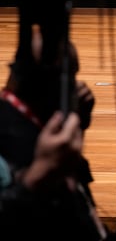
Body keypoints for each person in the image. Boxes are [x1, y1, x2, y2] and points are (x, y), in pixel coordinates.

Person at [0, 27, 107, 240]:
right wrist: (38, 175)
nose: (78, 87)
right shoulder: (10, 133)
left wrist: (79, 126)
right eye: (68, 82)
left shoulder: (36, 123)